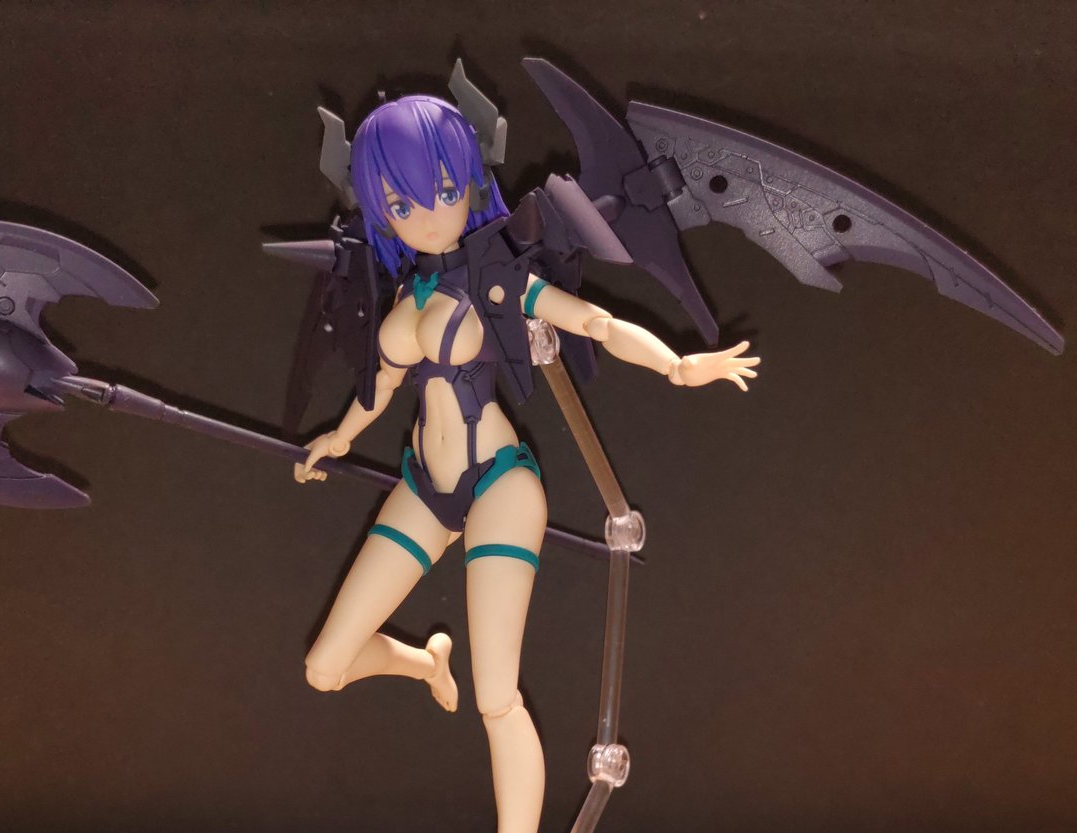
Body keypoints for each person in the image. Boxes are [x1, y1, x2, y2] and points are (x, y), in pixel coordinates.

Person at [294, 94, 758, 833]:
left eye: (444, 190)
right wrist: (340, 437)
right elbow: (380, 382)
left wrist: (676, 366)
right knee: (325, 669)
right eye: (402, 204)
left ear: (470, 180)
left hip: (498, 486)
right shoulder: (404, 296)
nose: (428, 215)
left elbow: (594, 322)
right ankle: (424, 662)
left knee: (496, 697)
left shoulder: (497, 276)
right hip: (426, 486)